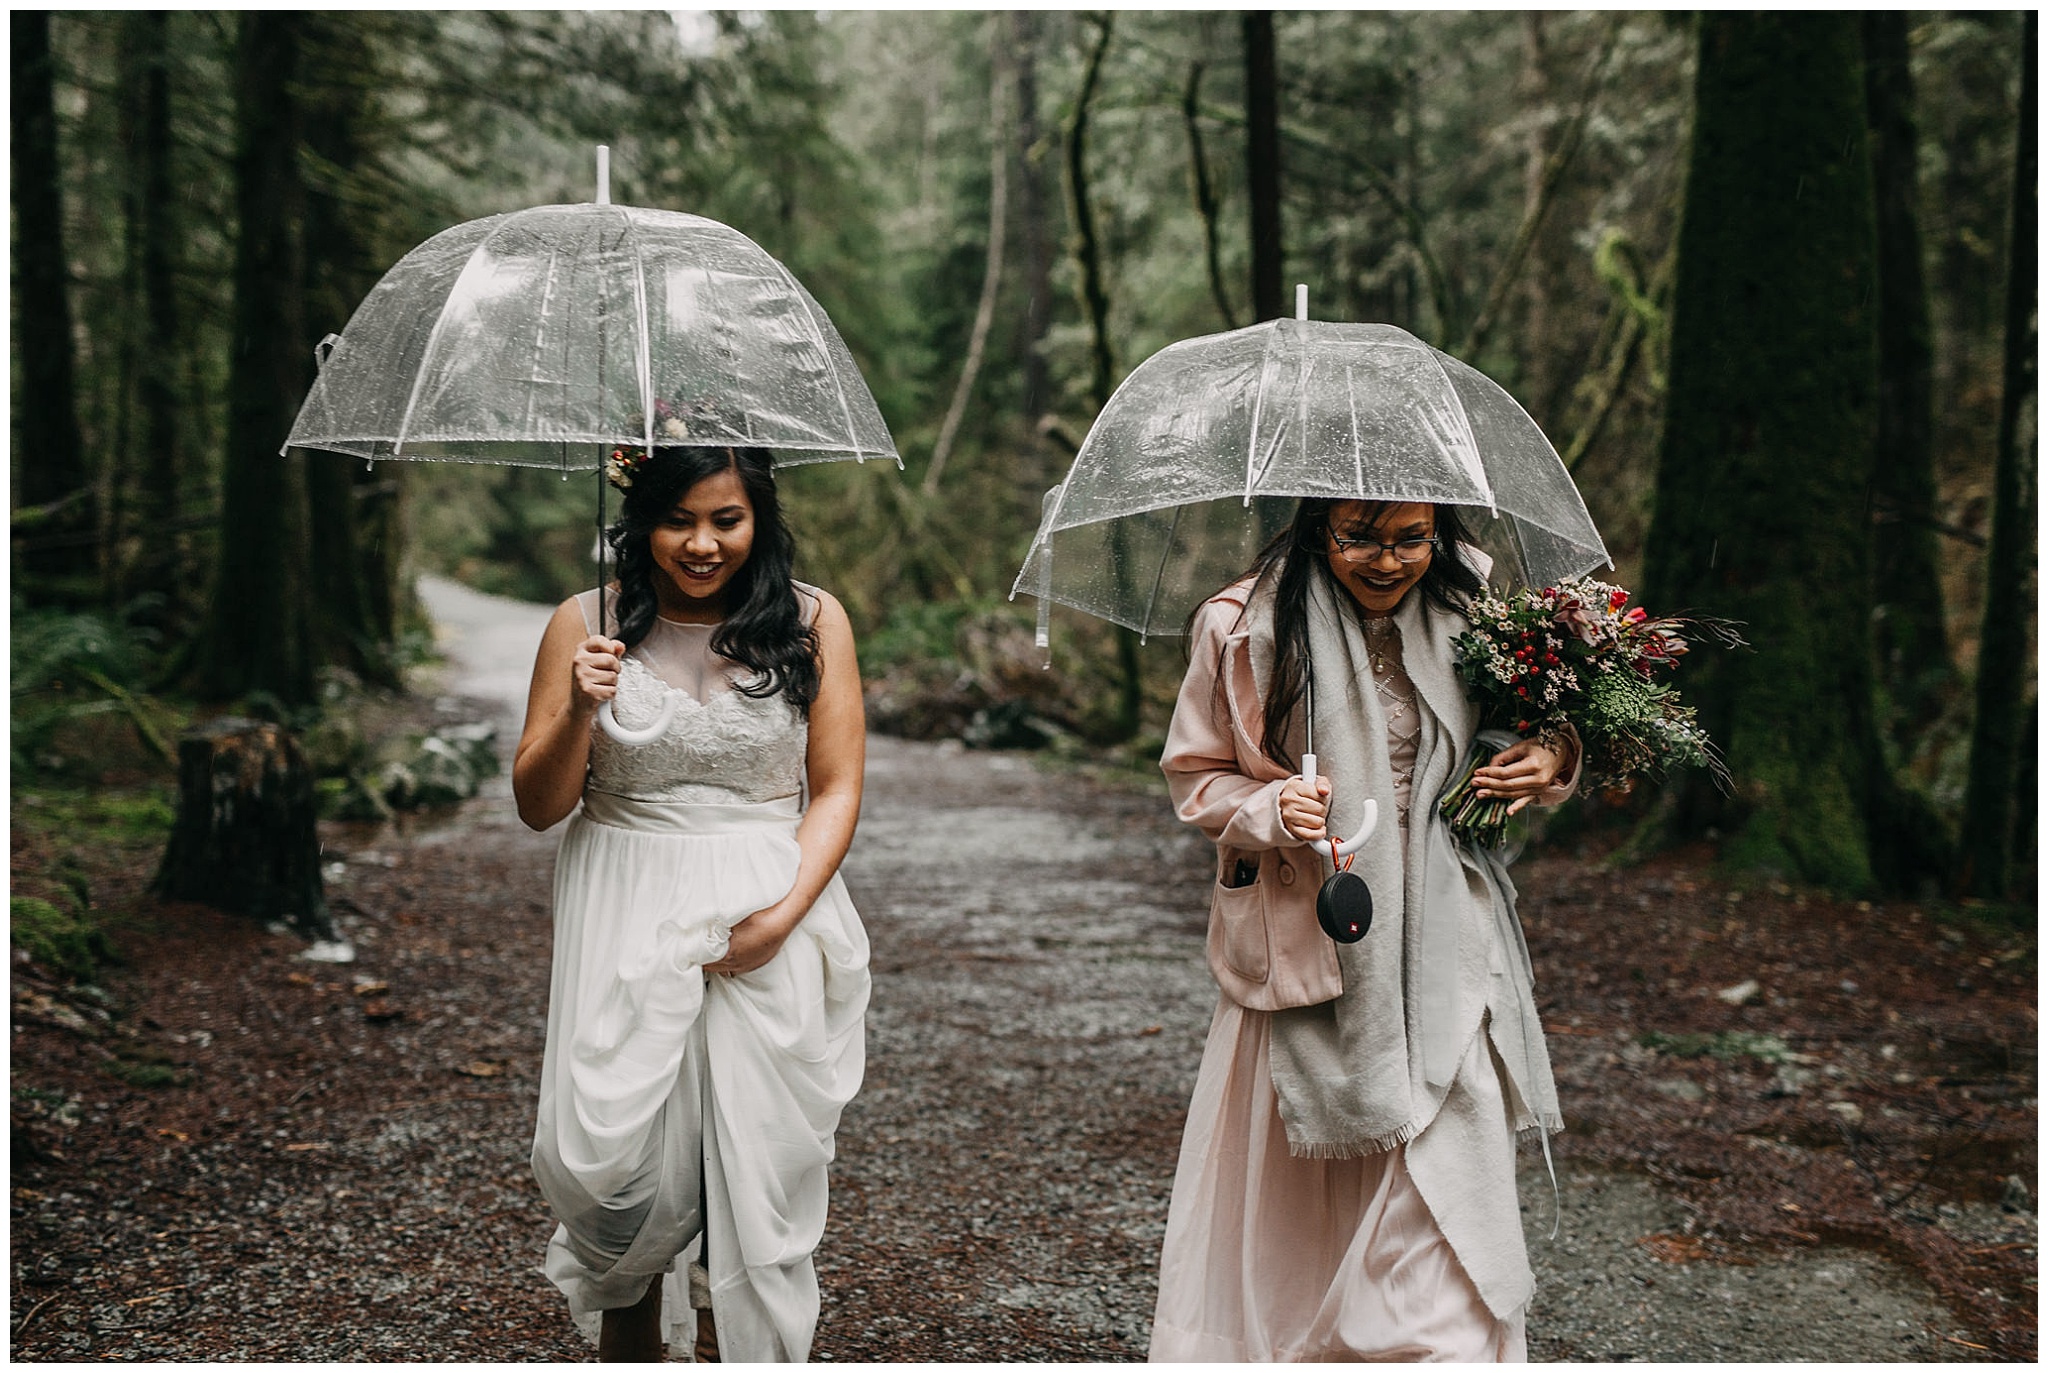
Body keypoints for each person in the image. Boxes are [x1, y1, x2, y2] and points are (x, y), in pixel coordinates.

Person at [1148, 498, 1579, 1362]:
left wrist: (1553, 759)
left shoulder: (1477, 613)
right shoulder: (1243, 625)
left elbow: (1535, 733)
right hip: (1316, 947)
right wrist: (1270, 803)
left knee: (1445, 1185)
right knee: (1298, 1205)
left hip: (1451, 943)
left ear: (1439, 532)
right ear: (1319, 530)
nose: (1387, 561)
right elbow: (1196, 776)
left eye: (1411, 539)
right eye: (1361, 539)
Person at [514, 445, 869, 1363]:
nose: (703, 543)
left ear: (760, 522)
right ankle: (625, 1338)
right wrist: (577, 709)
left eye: (727, 519)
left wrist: (781, 917)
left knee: (750, 1167)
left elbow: (833, 787)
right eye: (680, 520)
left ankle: (726, 1344)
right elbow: (538, 803)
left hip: (768, 900)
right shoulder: (580, 623)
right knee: (614, 1168)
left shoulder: (813, 620)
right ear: (642, 521)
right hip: (624, 901)